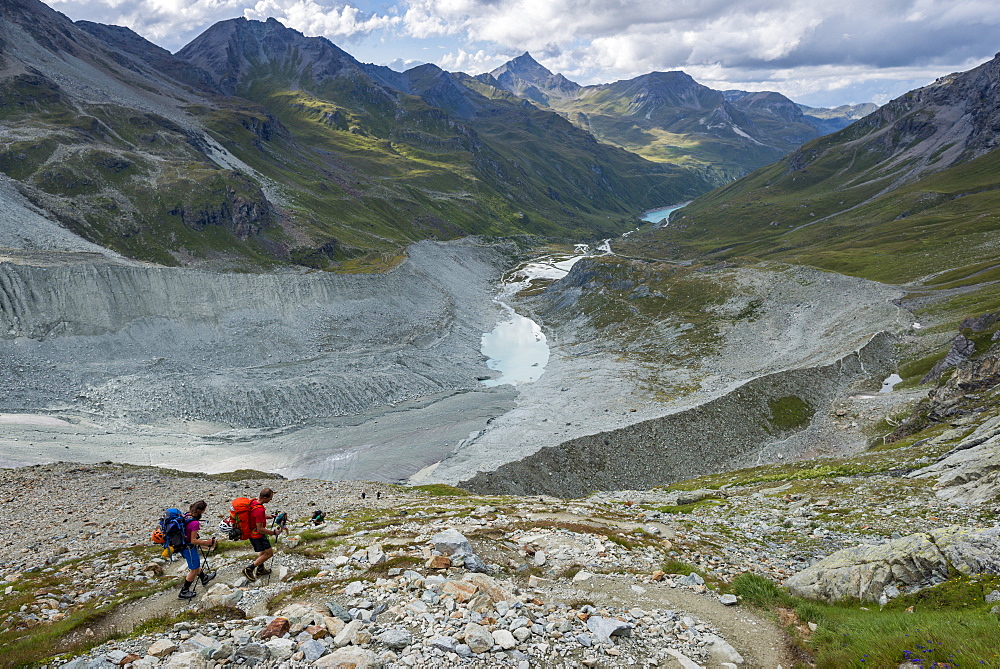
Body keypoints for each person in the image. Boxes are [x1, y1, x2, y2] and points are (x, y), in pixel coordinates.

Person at [242, 488, 284, 581]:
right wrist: (273, 532)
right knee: (269, 553)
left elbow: (254, 515)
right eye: (270, 498)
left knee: (263, 551)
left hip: (252, 534)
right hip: (257, 536)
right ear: (265, 497)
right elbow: (260, 529)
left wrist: (268, 516)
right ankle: (249, 569)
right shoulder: (259, 510)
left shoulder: (253, 502)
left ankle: (260, 569)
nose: (271, 500)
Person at [179, 500, 217, 599]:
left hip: (183, 546)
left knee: (196, 565)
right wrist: (206, 543)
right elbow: (193, 540)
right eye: (204, 510)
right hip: (189, 548)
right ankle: (184, 591)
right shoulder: (195, 523)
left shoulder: (186, 515)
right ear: (200, 510)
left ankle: (204, 577)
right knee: (194, 570)